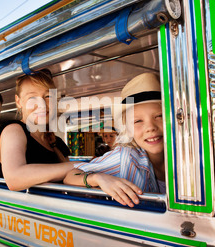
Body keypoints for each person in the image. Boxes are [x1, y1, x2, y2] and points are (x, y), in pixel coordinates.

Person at [64, 72, 165, 207]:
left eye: (159, 116)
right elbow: (71, 176)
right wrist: (98, 178)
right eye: (138, 121)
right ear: (128, 129)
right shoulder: (126, 157)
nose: (150, 128)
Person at [0, 71, 74, 191]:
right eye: (32, 98)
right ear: (19, 101)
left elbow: (71, 177)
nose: (42, 105)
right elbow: (14, 178)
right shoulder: (14, 130)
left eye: (47, 97)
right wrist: (77, 166)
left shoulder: (57, 142)